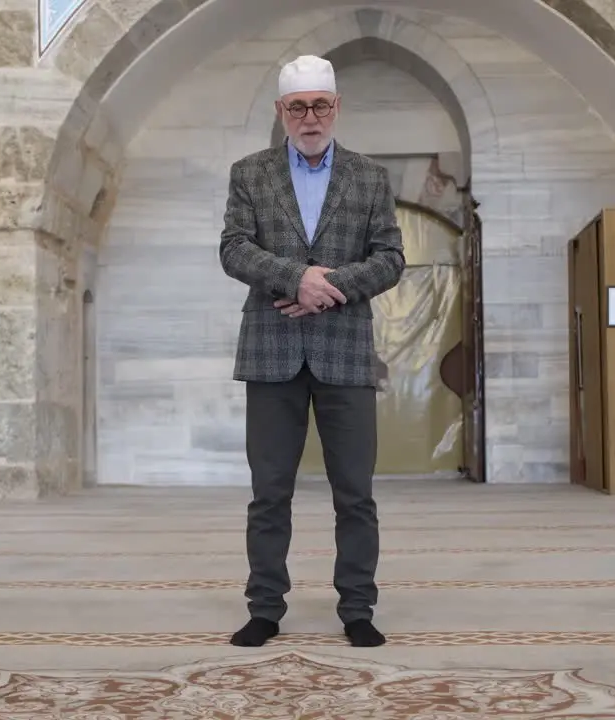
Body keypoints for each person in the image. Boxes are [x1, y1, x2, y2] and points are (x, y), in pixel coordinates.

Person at [217, 54, 405, 648]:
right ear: (282, 112)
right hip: (271, 350)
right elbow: (233, 249)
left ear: (336, 107)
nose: (310, 117)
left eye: (321, 105)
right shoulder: (250, 173)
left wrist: (328, 289)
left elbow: (392, 258)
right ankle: (265, 607)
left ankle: (358, 609)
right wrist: (295, 277)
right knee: (269, 491)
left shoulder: (371, 177)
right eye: (298, 107)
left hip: (346, 351)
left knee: (355, 492)